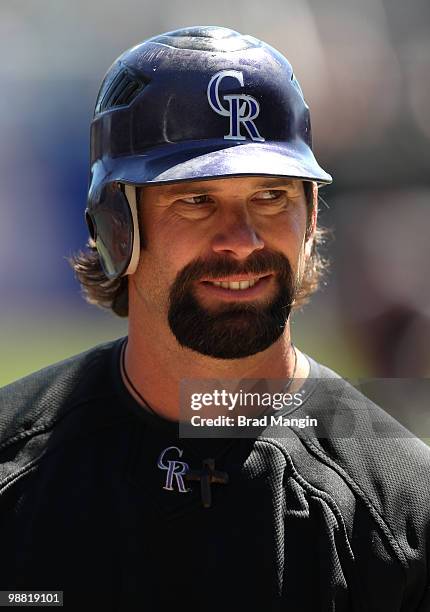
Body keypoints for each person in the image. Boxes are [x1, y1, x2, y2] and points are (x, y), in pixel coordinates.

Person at [0, 26, 429, 612]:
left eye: (272, 195)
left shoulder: (402, 507)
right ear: (115, 230)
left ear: (309, 220)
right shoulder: (13, 469)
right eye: (196, 199)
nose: (242, 240)